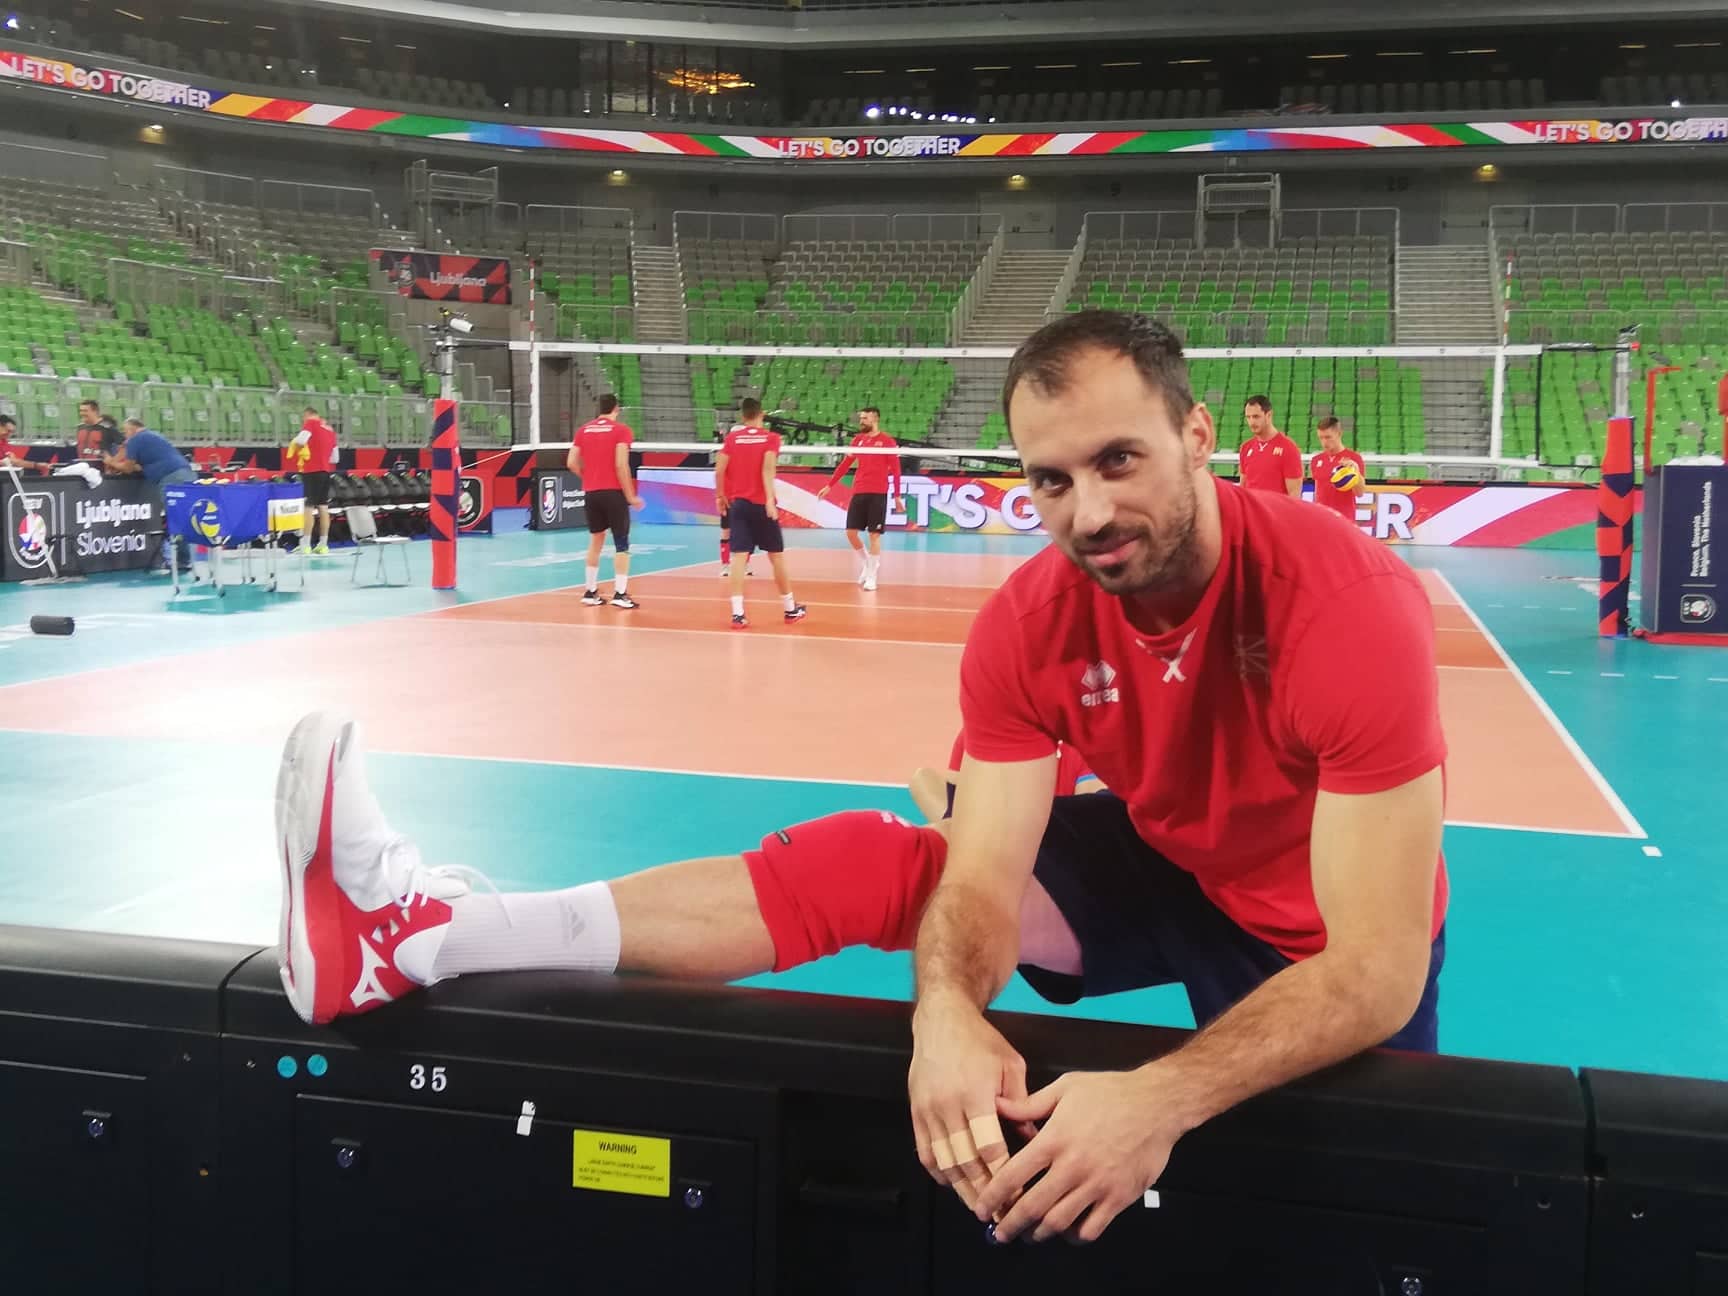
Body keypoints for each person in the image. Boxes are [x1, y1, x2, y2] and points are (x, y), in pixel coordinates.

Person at [908, 310, 1447, 1246]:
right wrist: (944, 1013)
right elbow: (984, 878)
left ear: (1198, 436)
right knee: (908, 862)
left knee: (1352, 1225)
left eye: (1118, 460)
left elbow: (1376, 968)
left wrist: (1156, 1097)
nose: (1088, 515)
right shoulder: (1024, 626)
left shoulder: (1346, 605)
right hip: (1180, 865)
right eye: (1051, 480)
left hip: (1321, 932)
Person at [272, 711, 1103, 1053]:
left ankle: (420, 940)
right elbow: (956, 797)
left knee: (879, 865)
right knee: (875, 862)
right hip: (1127, 859)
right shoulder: (1044, 647)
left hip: (1183, 888)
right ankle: (414, 942)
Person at [717, 398, 805, 629]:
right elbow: (767, 469)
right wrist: (769, 500)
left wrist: (720, 495)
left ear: (743, 416)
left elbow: (719, 469)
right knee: (776, 556)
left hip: (739, 505)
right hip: (762, 505)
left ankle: (737, 614)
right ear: (761, 414)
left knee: (738, 558)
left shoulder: (733, 438)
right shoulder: (771, 438)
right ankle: (790, 609)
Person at [567, 394, 643, 610]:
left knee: (595, 541)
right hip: (614, 493)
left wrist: (588, 478)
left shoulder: (583, 430)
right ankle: (620, 593)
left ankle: (590, 591)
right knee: (621, 543)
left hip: (592, 493)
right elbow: (621, 465)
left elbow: (571, 462)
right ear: (616, 409)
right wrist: (630, 496)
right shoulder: (621, 431)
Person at [817, 406, 901, 591]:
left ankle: (872, 577)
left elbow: (896, 470)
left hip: (878, 492)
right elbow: (845, 465)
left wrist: (897, 495)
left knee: (874, 535)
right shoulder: (858, 440)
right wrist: (830, 485)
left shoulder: (887, 442)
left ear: (875, 419)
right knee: (851, 533)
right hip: (859, 490)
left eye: (865, 418)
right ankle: (868, 563)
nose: (861, 421)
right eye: (860, 418)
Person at [105, 417, 196, 570]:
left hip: (171, 479)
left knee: (176, 519)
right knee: (183, 517)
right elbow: (145, 465)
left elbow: (127, 468)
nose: (125, 436)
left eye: (125, 432)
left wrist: (110, 462)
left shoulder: (135, 439)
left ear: (132, 429)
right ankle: (183, 558)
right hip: (187, 474)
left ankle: (183, 561)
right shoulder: (155, 436)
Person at [290, 406, 338, 555]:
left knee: (308, 507)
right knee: (323, 507)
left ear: (308, 415)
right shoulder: (330, 431)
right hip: (325, 472)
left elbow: (301, 440)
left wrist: (298, 447)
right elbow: (335, 458)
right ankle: (323, 545)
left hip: (311, 471)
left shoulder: (311, 423)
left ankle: (305, 545)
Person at [1237, 394, 1302, 498]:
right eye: (1248, 417)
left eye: (1256, 416)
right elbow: (1243, 488)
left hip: (1275, 508)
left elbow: (1294, 495)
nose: (1252, 422)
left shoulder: (1288, 448)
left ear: (1269, 415)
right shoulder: (1246, 447)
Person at [1309, 415, 1368, 521]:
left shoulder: (1354, 458)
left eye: (1328, 437)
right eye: (1321, 438)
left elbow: (1360, 493)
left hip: (1344, 520)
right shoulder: (1316, 460)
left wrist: (1356, 472)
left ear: (1339, 434)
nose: (1324, 442)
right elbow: (1318, 491)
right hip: (1322, 519)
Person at [74, 400, 122, 466]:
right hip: (81, 466)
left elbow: (125, 445)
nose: (82, 413)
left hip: (101, 468)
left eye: (85, 411)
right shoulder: (80, 428)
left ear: (95, 412)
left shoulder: (107, 428)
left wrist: (114, 461)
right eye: (81, 411)